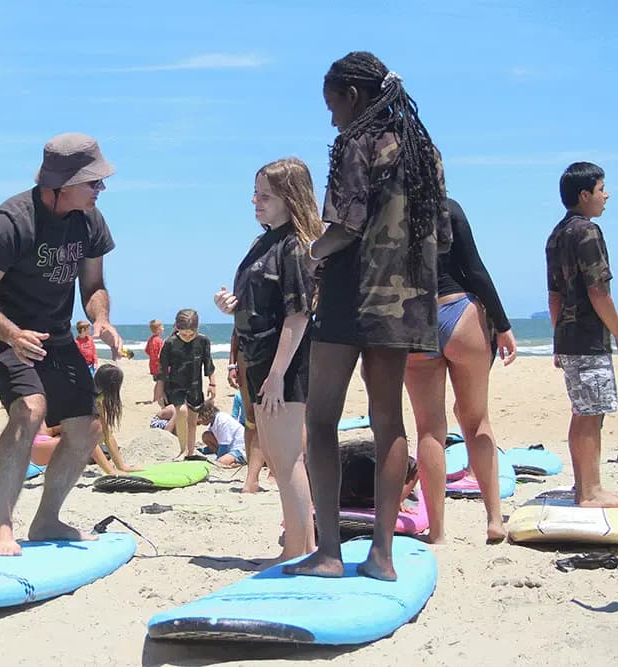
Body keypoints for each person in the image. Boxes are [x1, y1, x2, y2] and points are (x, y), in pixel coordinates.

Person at [286, 53, 449, 581]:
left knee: (321, 419)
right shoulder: (425, 151)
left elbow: (346, 225)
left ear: (352, 96)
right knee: (388, 421)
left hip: (350, 294)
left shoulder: (356, 143)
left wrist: (310, 252)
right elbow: (441, 234)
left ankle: (330, 552)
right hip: (403, 302)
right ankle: (382, 555)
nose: (331, 117)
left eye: (332, 104)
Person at [0, 132, 122, 556]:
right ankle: (1, 525)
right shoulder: (11, 222)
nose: (101, 188)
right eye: (94, 182)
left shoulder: (91, 220)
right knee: (30, 409)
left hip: (56, 333)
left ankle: (47, 519)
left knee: (87, 429)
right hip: (3, 331)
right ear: (63, 183)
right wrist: (12, 334)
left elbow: (94, 284)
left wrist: (100, 318)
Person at [214, 157, 324, 561]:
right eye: (255, 193)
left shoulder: (294, 245)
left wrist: (277, 375)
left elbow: (298, 314)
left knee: (286, 459)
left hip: (283, 365)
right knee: (279, 458)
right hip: (259, 360)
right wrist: (231, 306)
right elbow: (264, 303)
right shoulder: (265, 241)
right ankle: (300, 546)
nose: (255, 201)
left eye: (265, 195)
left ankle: (298, 550)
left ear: (289, 198)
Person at [404, 199, 515, 543]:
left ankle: (437, 533)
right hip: (458, 311)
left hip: (412, 318)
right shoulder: (446, 207)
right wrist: (503, 324)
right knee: (476, 420)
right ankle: (494, 519)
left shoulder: (386, 211)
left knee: (428, 430)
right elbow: (475, 269)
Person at [546, 162, 618, 508]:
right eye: (602, 189)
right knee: (590, 412)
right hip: (586, 338)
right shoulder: (587, 232)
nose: (607, 195)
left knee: (585, 411)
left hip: (570, 337)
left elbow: (554, 296)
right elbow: (599, 291)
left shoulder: (556, 234)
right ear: (584, 195)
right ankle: (589, 492)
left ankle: (586, 486)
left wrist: (557, 340)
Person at [154, 309, 216, 460]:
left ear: (197, 329)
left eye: (191, 334)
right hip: (175, 385)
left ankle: (190, 452)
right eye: (184, 334)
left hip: (195, 386)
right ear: (177, 328)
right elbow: (161, 369)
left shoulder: (203, 341)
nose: (188, 338)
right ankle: (182, 450)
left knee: (193, 422)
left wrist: (212, 383)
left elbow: (208, 364)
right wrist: (159, 390)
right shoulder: (170, 343)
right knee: (181, 412)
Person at [226, 333, 265, 492]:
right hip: (246, 352)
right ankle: (252, 475)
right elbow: (238, 328)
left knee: (268, 417)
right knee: (251, 417)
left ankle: (274, 473)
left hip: (272, 350)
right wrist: (231, 364)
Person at [89, 363, 138, 474]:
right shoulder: (88, 398)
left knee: (103, 430)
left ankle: (116, 466)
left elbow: (108, 434)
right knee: (96, 432)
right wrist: (110, 471)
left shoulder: (98, 394)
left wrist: (121, 467)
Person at [197, 399, 246, 468]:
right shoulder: (214, 422)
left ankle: (236, 461)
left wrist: (219, 459)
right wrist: (202, 451)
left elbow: (224, 444)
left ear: (205, 415)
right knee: (206, 436)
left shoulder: (222, 421)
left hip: (240, 449)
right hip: (230, 447)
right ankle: (227, 459)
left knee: (220, 462)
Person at [143, 320, 165, 403]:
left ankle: (155, 398)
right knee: (161, 382)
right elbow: (162, 354)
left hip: (152, 365)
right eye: (162, 327)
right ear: (158, 329)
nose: (163, 329)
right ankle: (157, 398)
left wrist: (152, 357)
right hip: (159, 365)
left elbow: (147, 351)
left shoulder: (151, 339)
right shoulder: (159, 341)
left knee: (158, 382)